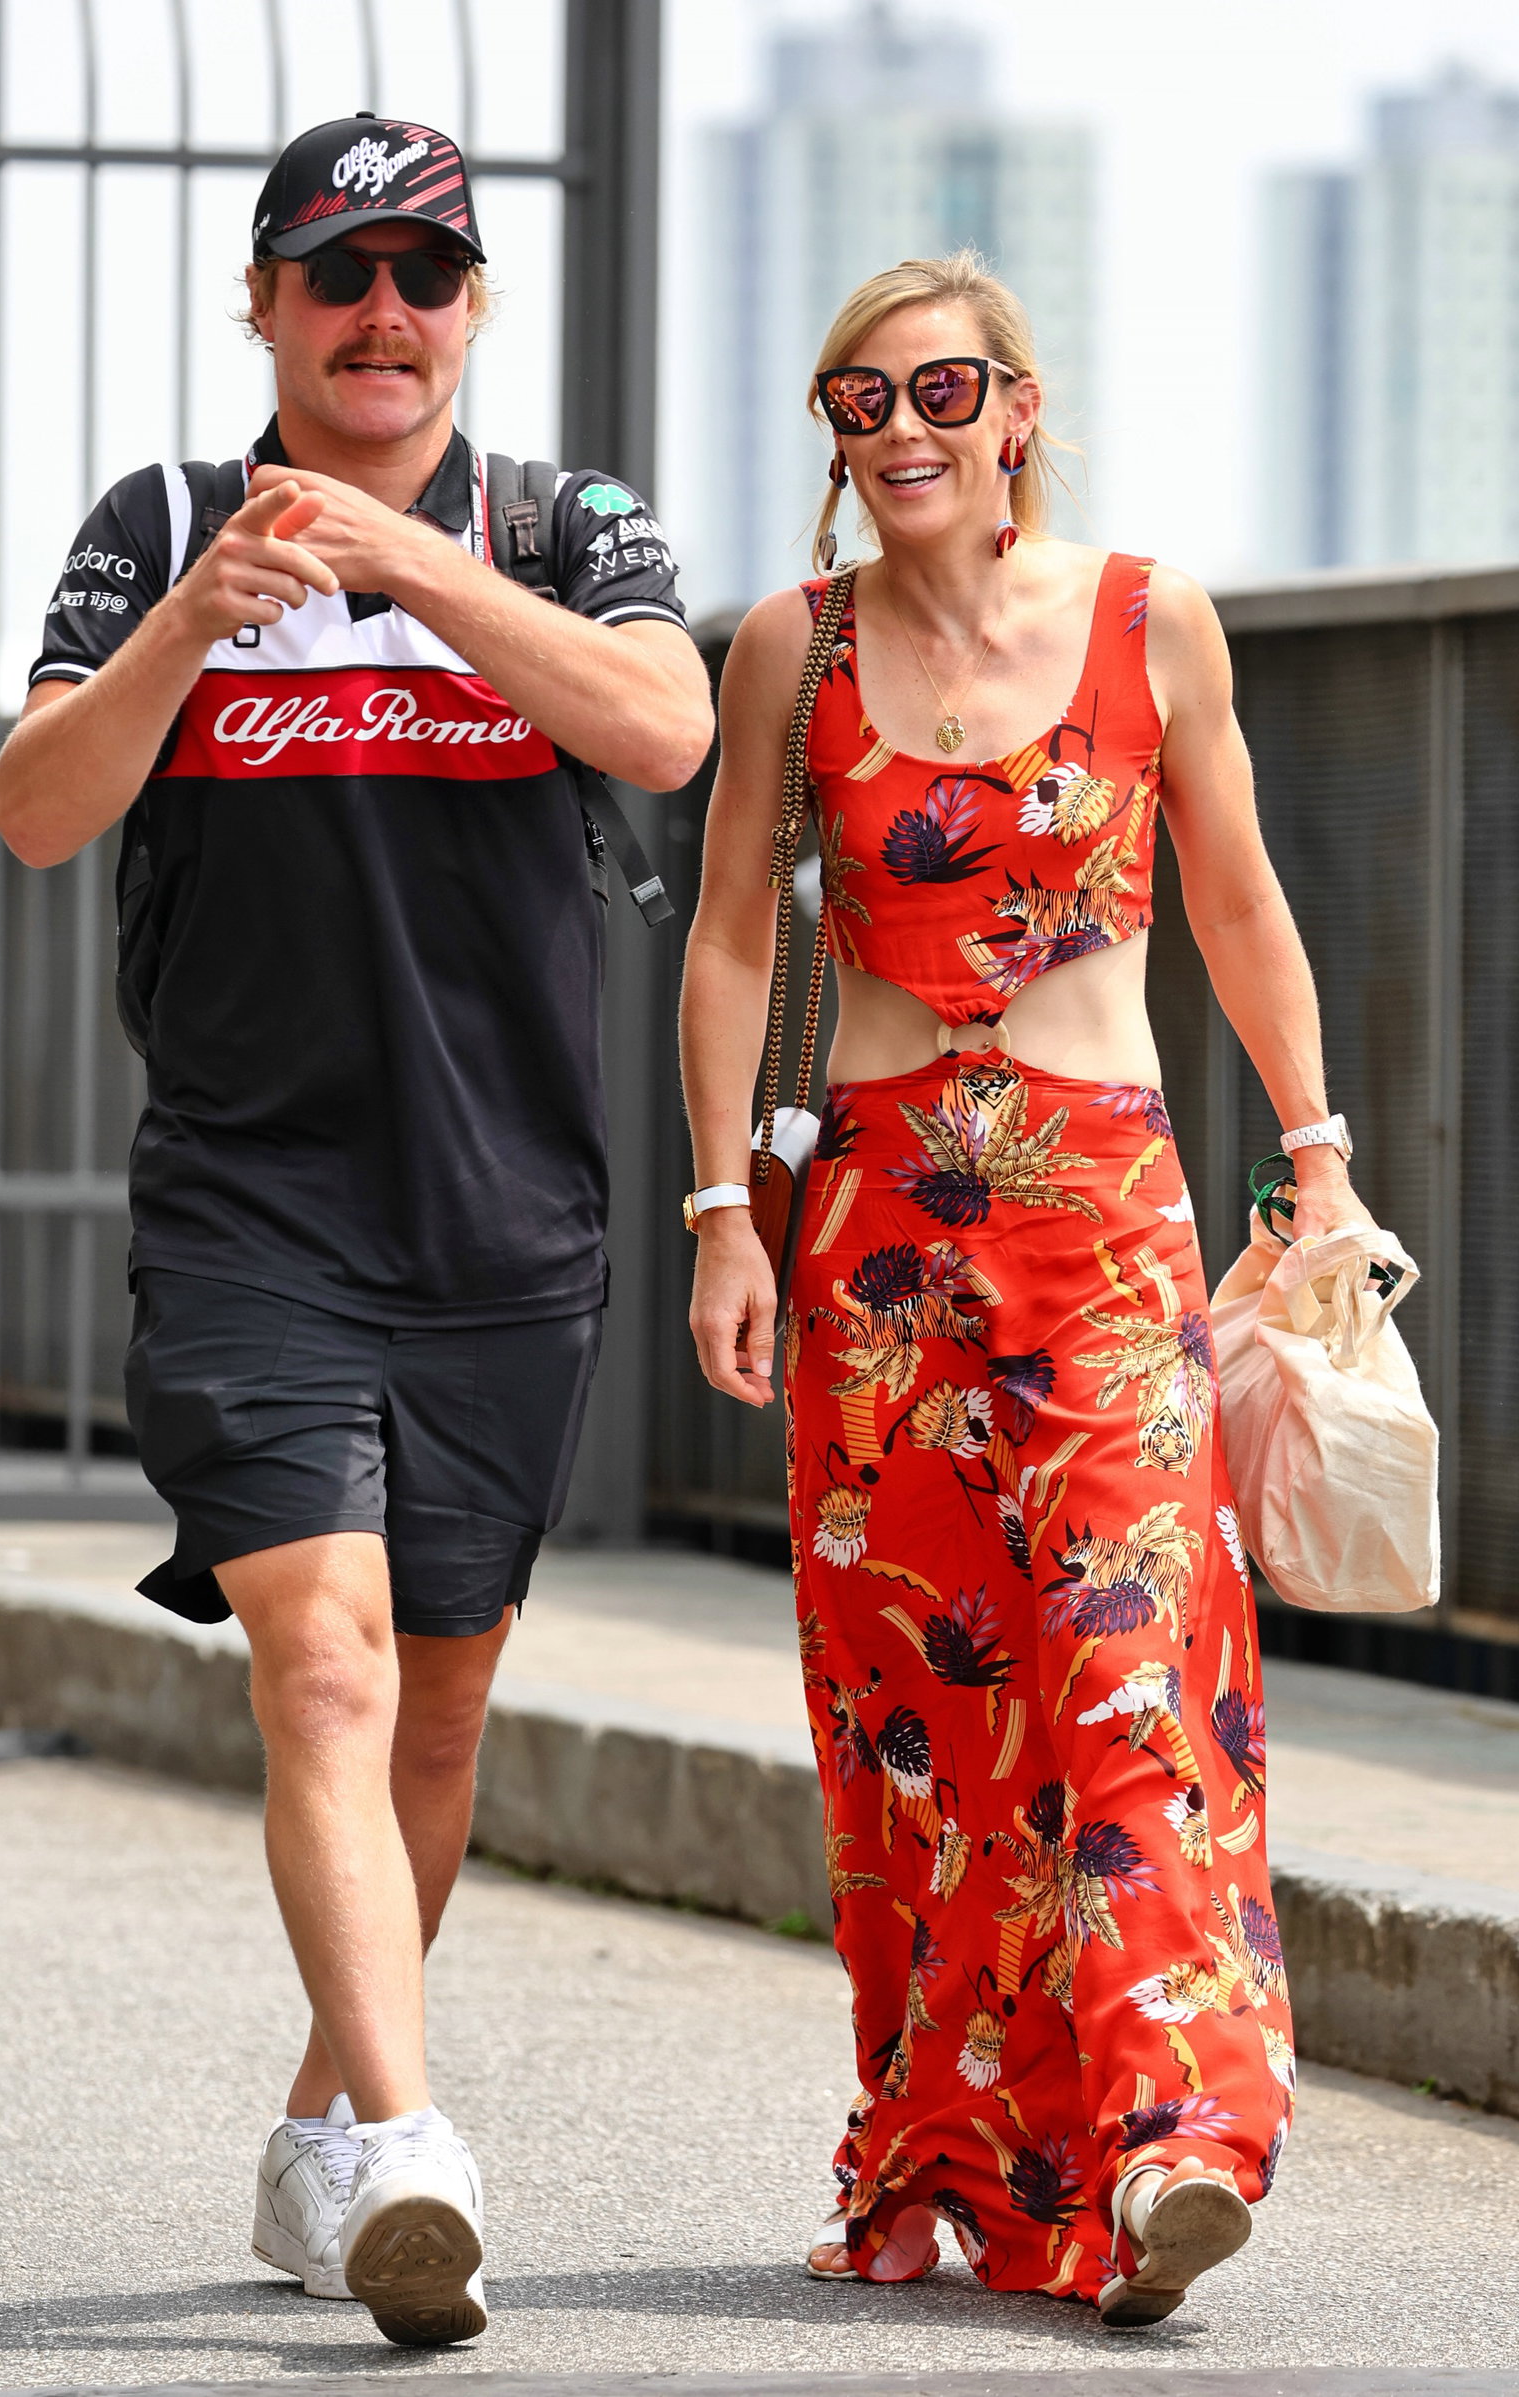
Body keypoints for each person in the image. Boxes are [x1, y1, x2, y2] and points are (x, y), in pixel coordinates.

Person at [0, 113, 712, 2349]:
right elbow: (34, 813)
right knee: (321, 1658)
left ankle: (324, 2132)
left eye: (423, 275)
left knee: (440, 1708)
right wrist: (185, 636)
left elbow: (668, 729)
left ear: (471, 309)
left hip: (505, 1210)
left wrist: (411, 574)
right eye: (337, 276)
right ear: (265, 305)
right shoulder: (162, 528)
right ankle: (408, 2139)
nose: (380, 313)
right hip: (251, 1205)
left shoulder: (561, 525)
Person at [680, 250, 1360, 2325]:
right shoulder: (788, 647)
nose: (900, 431)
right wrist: (723, 1209)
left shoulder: (1150, 620)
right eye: (857, 404)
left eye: (939, 391)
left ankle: (1166, 2146)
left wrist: (1311, 1149)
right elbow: (723, 938)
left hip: (1104, 1221)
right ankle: (950, 2150)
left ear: (1017, 407)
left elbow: (1233, 895)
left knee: (1134, 1669)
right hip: (875, 1241)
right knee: (916, 1721)